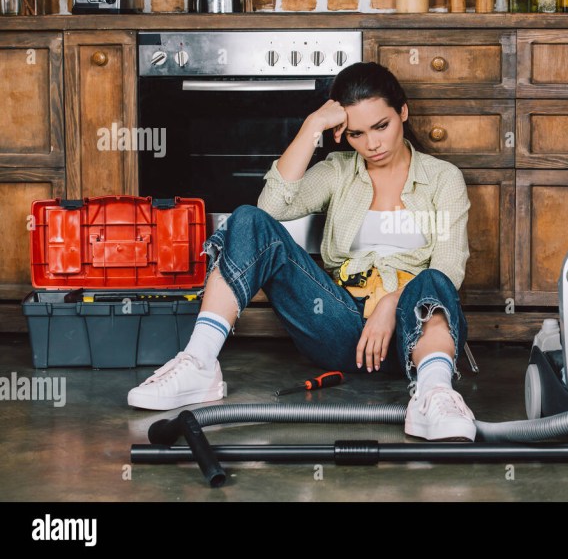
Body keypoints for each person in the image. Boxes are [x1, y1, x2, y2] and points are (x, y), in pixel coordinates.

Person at [127, 62, 476, 441]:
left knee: (434, 281)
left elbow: (449, 267)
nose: (372, 144)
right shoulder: (339, 171)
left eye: (381, 126)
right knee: (249, 219)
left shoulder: (443, 179)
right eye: (357, 133)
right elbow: (271, 210)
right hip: (341, 329)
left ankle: (434, 394)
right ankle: (199, 361)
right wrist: (312, 126)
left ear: (402, 112)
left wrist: (392, 303)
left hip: (415, 333)